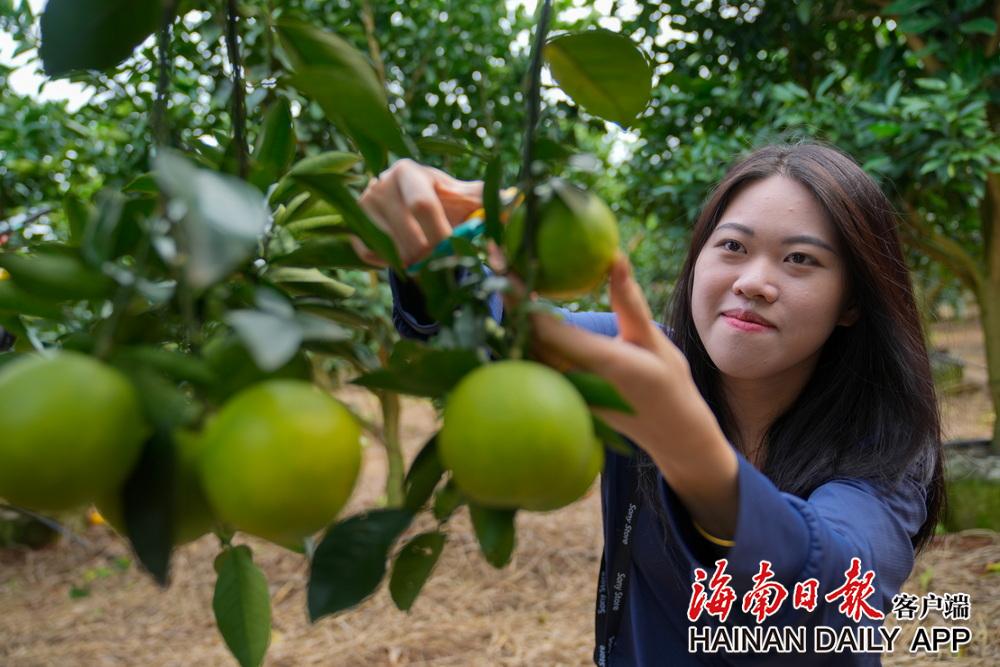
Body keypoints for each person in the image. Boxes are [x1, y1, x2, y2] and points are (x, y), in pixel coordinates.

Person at [356, 144, 944, 666]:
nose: (754, 282)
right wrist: (427, 253)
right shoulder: (638, 362)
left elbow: (833, 589)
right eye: (733, 246)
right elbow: (485, 335)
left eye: (800, 260)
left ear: (851, 302)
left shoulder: (885, 444)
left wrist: (687, 447)